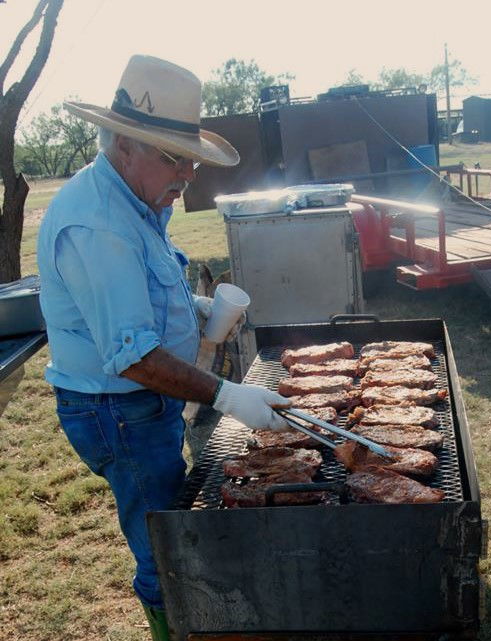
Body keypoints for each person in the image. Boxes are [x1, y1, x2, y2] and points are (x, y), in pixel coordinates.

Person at [36, 55, 291, 641]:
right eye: (175, 158)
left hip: (140, 404)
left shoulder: (139, 198)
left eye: (191, 160)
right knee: (163, 546)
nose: (189, 175)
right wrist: (229, 395)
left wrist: (196, 308)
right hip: (117, 411)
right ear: (125, 145)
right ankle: (172, 627)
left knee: (172, 519)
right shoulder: (98, 224)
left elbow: (143, 294)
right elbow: (132, 357)